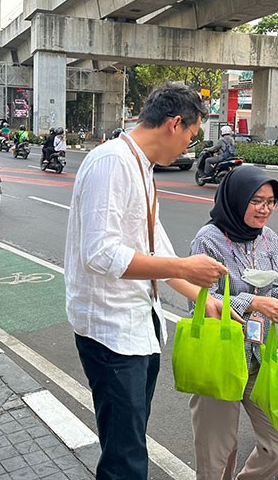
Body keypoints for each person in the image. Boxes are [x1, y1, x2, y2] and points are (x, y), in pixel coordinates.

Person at [65, 82, 230, 480]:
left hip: (137, 327)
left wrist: (200, 296)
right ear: (175, 123)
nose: (189, 147)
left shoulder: (139, 166)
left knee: (129, 442)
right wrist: (187, 269)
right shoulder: (112, 163)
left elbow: (157, 247)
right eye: (191, 136)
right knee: (126, 459)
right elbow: (100, 253)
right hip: (111, 332)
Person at [189, 165, 278, 480]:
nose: (265, 209)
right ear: (236, 199)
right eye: (256, 201)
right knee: (217, 454)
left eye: (271, 201)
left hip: (260, 357)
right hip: (220, 356)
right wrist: (251, 303)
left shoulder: (269, 238)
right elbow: (197, 299)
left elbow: (272, 289)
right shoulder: (207, 240)